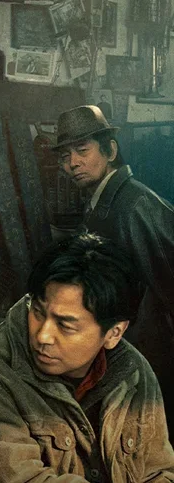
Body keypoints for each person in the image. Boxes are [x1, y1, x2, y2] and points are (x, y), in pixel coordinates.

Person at [0, 233, 174, 482]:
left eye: (65, 325)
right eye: (38, 312)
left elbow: (158, 472)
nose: (43, 336)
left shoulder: (132, 371)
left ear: (114, 333)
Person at [54, 105, 174, 439]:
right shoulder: (102, 203)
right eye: (65, 156)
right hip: (120, 350)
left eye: (82, 151)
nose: (72, 163)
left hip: (149, 356)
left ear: (110, 150)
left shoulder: (134, 205)